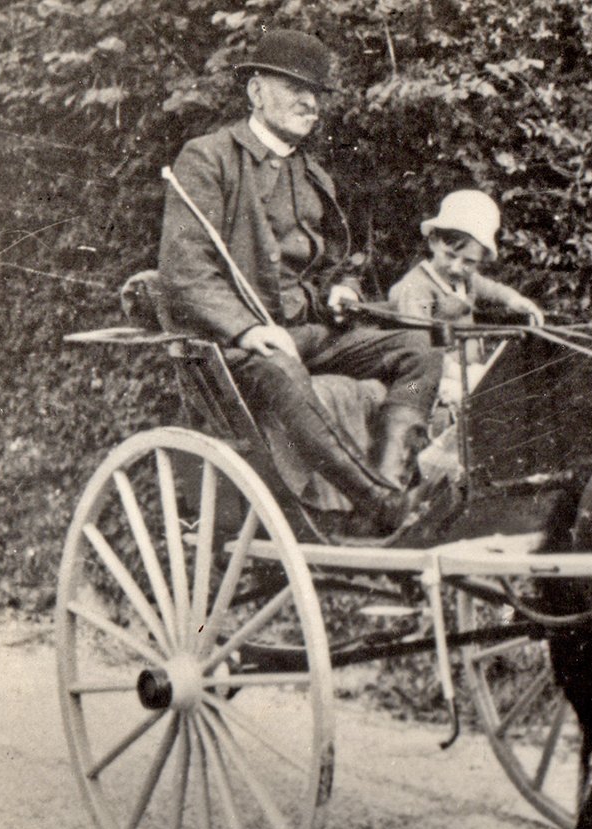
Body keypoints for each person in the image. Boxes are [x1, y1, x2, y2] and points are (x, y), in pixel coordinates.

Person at [157, 28, 442, 534]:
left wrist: (341, 288)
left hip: (310, 334)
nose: (310, 103)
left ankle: (392, 491)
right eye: (295, 88)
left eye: (316, 93)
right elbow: (185, 271)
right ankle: (377, 501)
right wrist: (246, 330)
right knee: (281, 367)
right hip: (240, 349)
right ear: (257, 91)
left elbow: (334, 261)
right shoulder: (208, 159)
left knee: (419, 350)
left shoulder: (314, 176)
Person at [386, 190, 543, 490]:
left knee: (501, 394)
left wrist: (516, 300)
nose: (458, 267)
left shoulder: (464, 280)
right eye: (450, 256)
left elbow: (490, 289)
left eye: (469, 261)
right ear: (433, 241)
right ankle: (442, 478)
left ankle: (497, 474)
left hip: (462, 373)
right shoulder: (416, 289)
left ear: (481, 260)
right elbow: (416, 345)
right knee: (474, 403)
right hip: (420, 378)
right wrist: (458, 376)